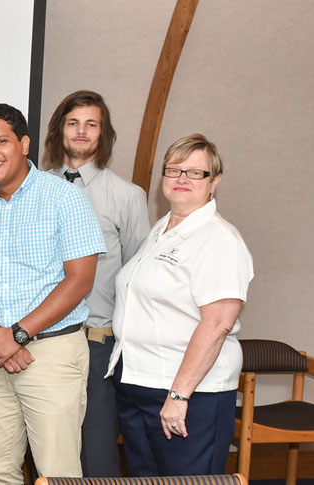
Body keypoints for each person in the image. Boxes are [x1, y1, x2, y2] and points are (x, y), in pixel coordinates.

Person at [0, 103, 105, 483]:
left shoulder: (64, 198)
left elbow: (79, 281)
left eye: (1, 141)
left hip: (51, 354)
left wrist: (17, 334)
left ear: (24, 144)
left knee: (57, 474)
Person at [107, 134, 252, 476]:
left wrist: (179, 395)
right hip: (139, 384)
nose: (182, 179)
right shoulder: (162, 229)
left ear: (214, 182)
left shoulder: (219, 239)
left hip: (189, 395)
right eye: (174, 170)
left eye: (195, 172)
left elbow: (217, 324)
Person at [42, 90, 150, 477]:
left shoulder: (127, 196)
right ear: (60, 130)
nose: (82, 132)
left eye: (92, 124)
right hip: (40, 338)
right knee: (46, 445)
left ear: (103, 134)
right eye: (73, 123)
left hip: (96, 341)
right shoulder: (34, 188)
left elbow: (140, 276)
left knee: (98, 448)